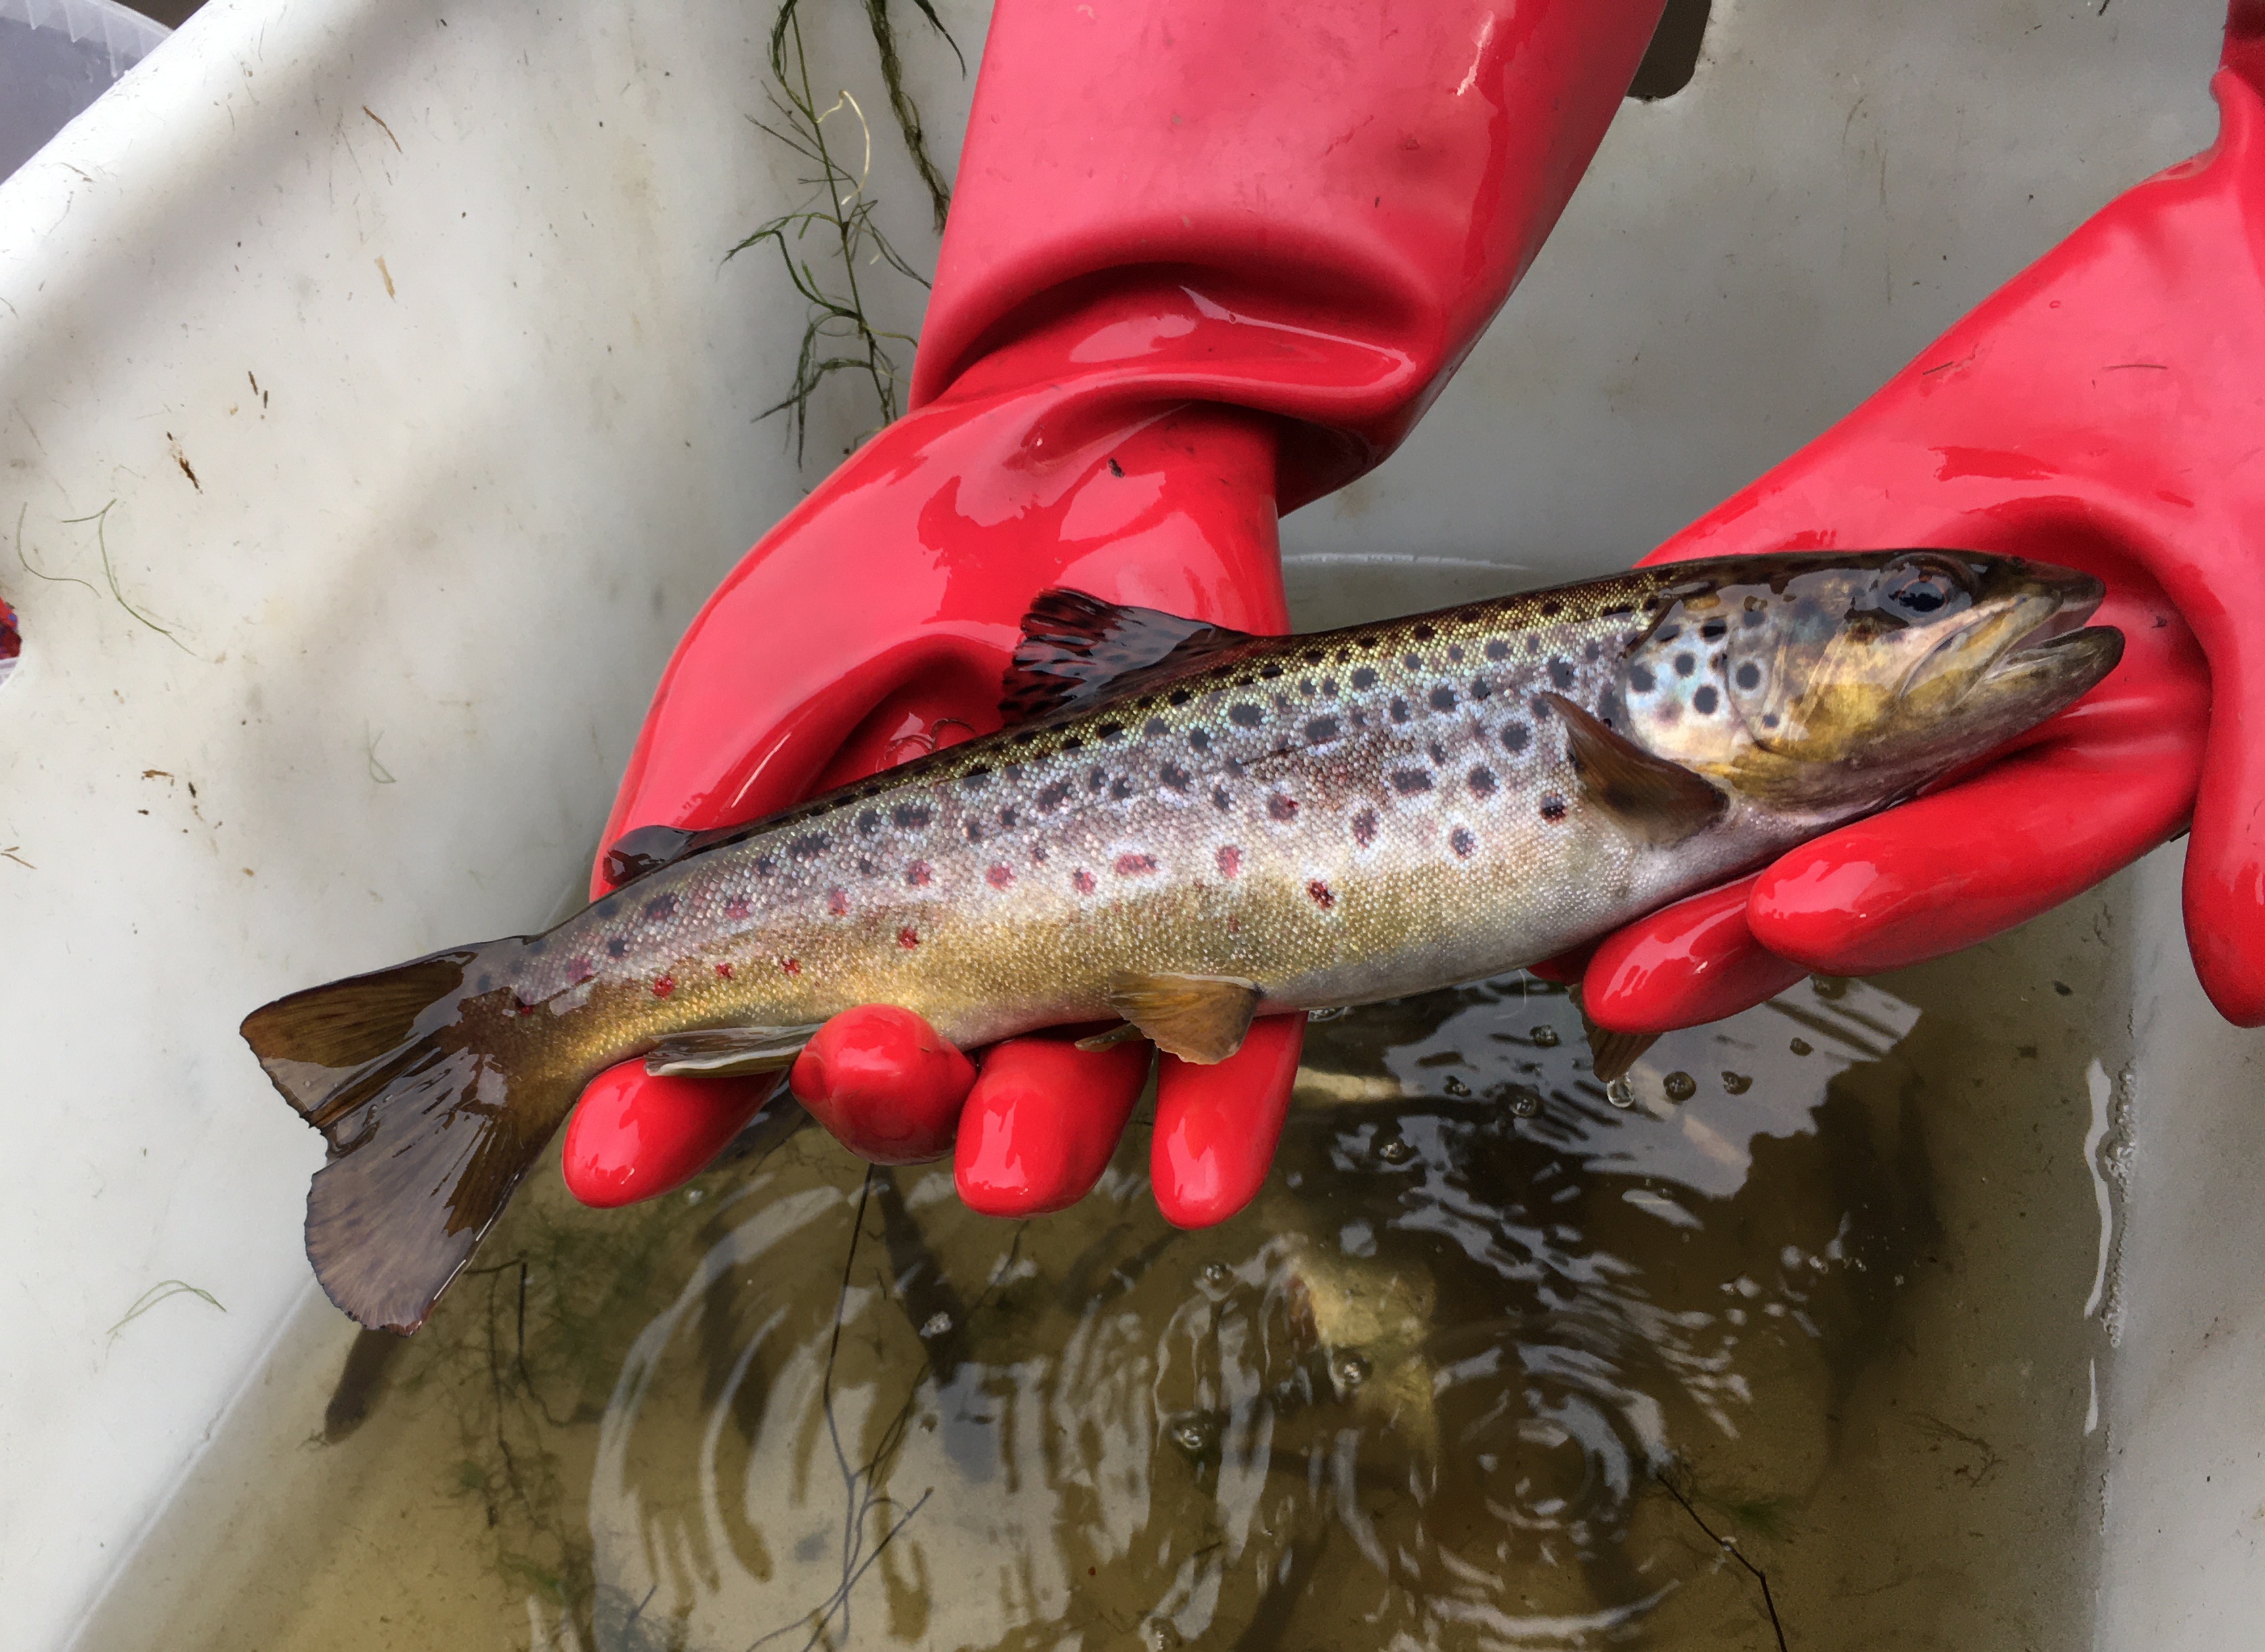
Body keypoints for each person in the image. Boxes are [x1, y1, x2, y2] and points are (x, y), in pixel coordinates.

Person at [561, 0, 2262, 1227]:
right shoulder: (1657, 774)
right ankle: (566, 1003)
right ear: (1712, 668)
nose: (1986, 613)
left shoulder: (1676, 768)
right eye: (1917, 600)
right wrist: (1147, 329)